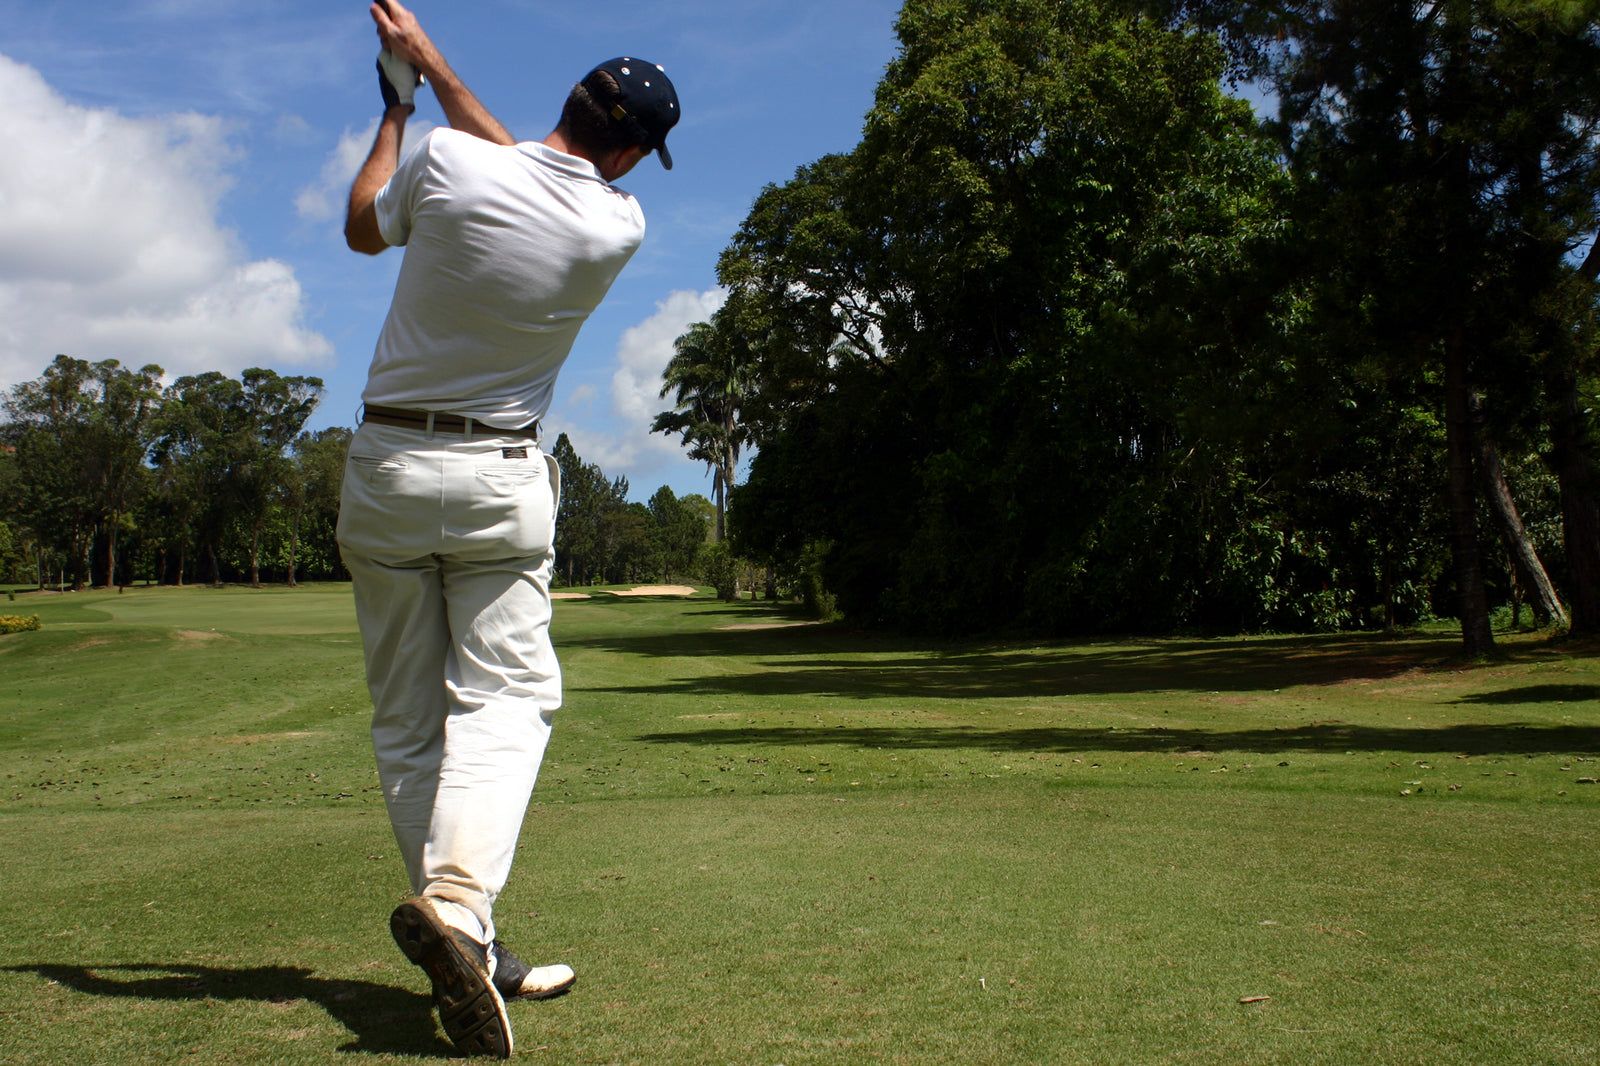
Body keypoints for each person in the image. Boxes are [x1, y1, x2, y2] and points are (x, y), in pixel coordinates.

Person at [336, 1, 679, 1057]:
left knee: (407, 722)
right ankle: (463, 913)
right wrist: (435, 72)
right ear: (628, 151)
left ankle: (467, 937)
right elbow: (536, 175)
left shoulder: (442, 163)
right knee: (508, 697)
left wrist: (402, 100)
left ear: (570, 101)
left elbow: (358, 226)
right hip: (496, 477)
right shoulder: (617, 224)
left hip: (386, 465)